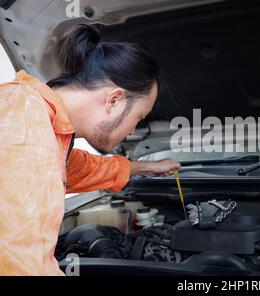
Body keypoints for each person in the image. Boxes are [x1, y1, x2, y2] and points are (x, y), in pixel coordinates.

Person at [0, 24, 180, 275]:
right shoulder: (23, 125)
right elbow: (19, 264)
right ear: (114, 99)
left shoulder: (41, 125)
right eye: (139, 117)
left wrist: (147, 166)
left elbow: (78, 169)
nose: (133, 130)